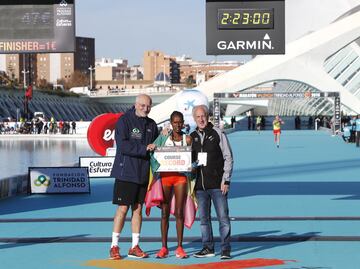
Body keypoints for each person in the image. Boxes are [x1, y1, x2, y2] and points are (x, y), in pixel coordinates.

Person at [109, 94, 158, 260]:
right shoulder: (124, 121)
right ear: (136, 105)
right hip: (126, 172)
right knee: (123, 209)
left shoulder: (152, 124)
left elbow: (156, 146)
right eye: (143, 105)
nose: (146, 108)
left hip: (143, 174)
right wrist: (144, 148)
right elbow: (123, 145)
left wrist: (164, 137)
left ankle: (134, 246)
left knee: (138, 209)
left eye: (148, 106)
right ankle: (114, 246)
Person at [191, 105, 233, 259]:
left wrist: (226, 179)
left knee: (223, 218)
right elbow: (191, 161)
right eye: (198, 117)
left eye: (203, 116)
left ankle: (225, 249)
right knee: (203, 220)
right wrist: (193, 166)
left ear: (207, 116)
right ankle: (208, 247)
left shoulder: (218, 133)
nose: (201, 119)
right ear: (194, 119)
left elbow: (228, 157)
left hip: (217, 185)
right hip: (200, 187)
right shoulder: (192, 136)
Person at [149, 111, 193, 259]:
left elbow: (193, 158)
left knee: (180, 213)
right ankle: (164, 247)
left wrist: (193, 165)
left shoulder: (187, 139)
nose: (178, 125)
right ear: (170, 122)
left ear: (183, 122)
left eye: (180, 122)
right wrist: (152, 146)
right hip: (166, 178)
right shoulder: (164, 137)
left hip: (180, 178)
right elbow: (152, 148)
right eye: (175, 122)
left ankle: (180, 247)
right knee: (164, 213)